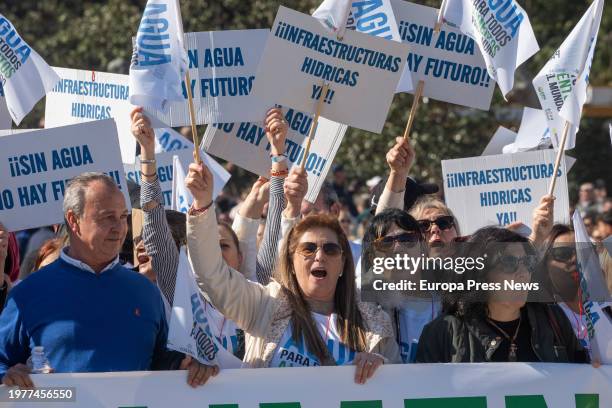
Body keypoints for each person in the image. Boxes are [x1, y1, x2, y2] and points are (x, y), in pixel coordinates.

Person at [185, 162, 400, 383]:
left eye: (330, 249)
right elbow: (211, 276)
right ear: (291, 261)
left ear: (343, 261)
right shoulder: (264, 305)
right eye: (308, 249)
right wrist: (202, 204)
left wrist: (382, 366)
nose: (319, 256)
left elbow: (402, 386)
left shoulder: (373, 323)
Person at [0, 173, 213, 388]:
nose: (119, 228)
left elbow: (162, 360)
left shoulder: (145, 291)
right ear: (74, 220)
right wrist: (8, 375)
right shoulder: (28, 294)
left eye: (122, 217)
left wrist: (187, 365)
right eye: (106, 217)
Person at [416, 227, 589, 363]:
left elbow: (580, 382)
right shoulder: (442, 333)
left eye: (528, 263)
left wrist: (595, 370)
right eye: (509, 263)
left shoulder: (554, 320)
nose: (522, 273)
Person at [361, 209, 440, 363]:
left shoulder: (451, 304)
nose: (398, 249)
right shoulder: (363, 310)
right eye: (386, 242)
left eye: (407, 238)